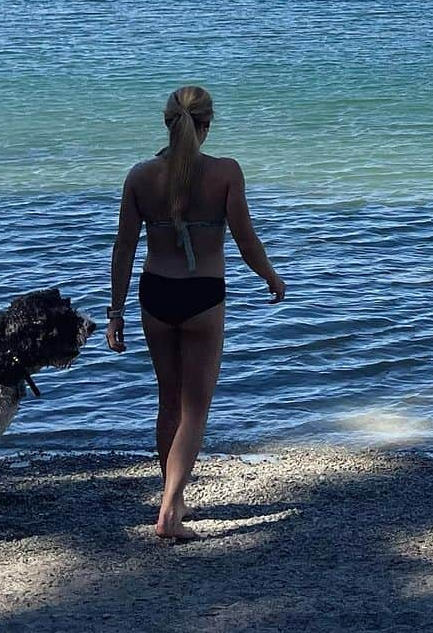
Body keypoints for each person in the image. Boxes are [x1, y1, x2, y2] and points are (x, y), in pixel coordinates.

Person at [106, 85, 285, 539]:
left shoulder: (140, 177)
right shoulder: (225, 173)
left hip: (155, 293)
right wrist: (270, 277)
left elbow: (123, 248)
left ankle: (175, 496)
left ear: (168, 122)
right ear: (206, 125)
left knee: (169, 402)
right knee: (195, 409)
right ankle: (168, 512)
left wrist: (115, 311)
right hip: (204, 294)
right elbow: (246, 240)